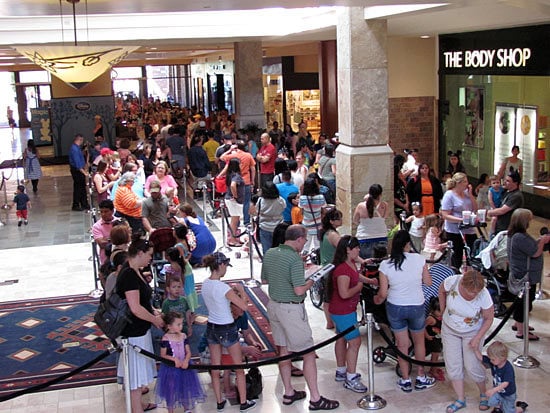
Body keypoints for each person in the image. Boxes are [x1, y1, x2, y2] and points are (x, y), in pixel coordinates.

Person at [262, 225, 340, 410]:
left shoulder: (271, 253)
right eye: (304, 239)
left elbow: (265, 279)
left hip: (274, 306)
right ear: (298, 239)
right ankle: (315, 398)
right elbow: (299, 290)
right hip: (291, 310)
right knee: (308, 353)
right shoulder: (294, 258)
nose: (305, 243)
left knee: (284, 351)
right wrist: (313, 277)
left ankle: (288, 391)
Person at [373, 230, 435, 393]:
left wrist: (377, 300)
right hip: (416, 305)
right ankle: (421, 376)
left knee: (402, 344)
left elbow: (383, 293)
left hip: (396, 306)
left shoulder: (385, 265)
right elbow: (428, 282)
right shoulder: (419, 259)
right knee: (419, 341)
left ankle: (406, 379)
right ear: (408, 244)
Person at [201, 252, 257, 413]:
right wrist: (242, 291)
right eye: (225, 265)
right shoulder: (224, 288)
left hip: (211, 326)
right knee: (238, 367)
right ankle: (244, 402)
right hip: (227, 327)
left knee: (216, 366)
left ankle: (219, 401)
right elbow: (243, 307)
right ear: (221, 265)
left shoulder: (205, 284)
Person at [116, 239, 164, 413]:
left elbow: (142, 301)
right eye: (150, 255)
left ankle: (139, 405)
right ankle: (137, 409)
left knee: (138, 373)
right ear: (140, 253)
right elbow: (135, 308)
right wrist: (154, 319)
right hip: (133, 332)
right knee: (135, 376)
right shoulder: (129, 274)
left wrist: (153, 311)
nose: (151, 258)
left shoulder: (134, 270)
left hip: (138, 329)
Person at [438, 269, 494, 413]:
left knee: (472, 365)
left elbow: (489, 318)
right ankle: (460, 399)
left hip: (472, 332)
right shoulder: (453, 281)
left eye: (476, 292)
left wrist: (477, 338)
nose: (474, 295)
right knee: (453, 366)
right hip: (450, 329)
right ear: (463, 285)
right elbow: (441, 289)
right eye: (471, 292)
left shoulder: (484, 294)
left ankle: (483, 394)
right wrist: (443, 309)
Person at [327, 235, 369, 393]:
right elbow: (344, 293)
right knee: (355, 342)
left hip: (344, 310)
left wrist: (370, 281)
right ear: (348, 250)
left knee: (342, 338)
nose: (359, 250)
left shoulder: (350, 263)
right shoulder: (342, 270)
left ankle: (341, 370)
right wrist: (359, 287)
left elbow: (357, 276)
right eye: (356, 247)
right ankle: (351, 377)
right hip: (343, 311)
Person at [507, 208, 550, 340]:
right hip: (525, 276)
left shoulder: (514, 234)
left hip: (522, 274)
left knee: (522, 301)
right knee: (525, 302)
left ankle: (519, 323)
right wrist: (542, 241)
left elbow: (529, 247)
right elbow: (535, 253)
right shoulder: (519, 237)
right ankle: (521, 331)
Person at [155, 311, 205, 413]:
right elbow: (163, 355)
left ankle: (186, 408)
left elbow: (188, 351)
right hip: (171, 369)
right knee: (171, 389)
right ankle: (171, 410)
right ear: (169, 326)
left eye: (181, 324)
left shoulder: (183, 336)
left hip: (184, 367)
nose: (181, 326)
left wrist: (186, 360)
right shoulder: (166, 338)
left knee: (185, 388)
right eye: (178, 324)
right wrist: (174, 359)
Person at [474, 341, 528, 413]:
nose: (490, 361)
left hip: (508, 394)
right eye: (490, 358)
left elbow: (505, 384)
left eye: (493, 359)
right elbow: (481, 358)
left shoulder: (508, 368)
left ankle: (521, 407)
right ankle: (498, 408)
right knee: (491, 402)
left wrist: (493, 390)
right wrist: (475, 349)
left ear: (502, 358)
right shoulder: (494, 362)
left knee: (509, 411)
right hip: (499, 392)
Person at [440, 172, 478, 269]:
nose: (467, 184)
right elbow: (445, 215)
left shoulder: (466, 194)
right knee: (457, 254)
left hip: (468, 228)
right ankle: (455, 272)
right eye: (465, 182)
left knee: (472, 252)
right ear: (458, 183)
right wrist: (461, 219)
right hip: (455, 229)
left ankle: (470, 271)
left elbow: (475, 208)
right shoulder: (449, 195)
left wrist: (470, 195)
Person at [220, 140, 256, 226]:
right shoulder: (248, 155)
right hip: (246, 180)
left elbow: (222, 157)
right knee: (246, 202)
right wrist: (253, 180)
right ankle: (246, 221)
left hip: (234, 181)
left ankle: (237, 221)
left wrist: (229, 150)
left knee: (236, 202)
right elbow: (253, 169)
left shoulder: (234, 155)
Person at [353, 184, 389, 259]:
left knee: (367, 263)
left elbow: (355, 220)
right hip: (381, 236)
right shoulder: (385, 205)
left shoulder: (361, 206)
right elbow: (385, 217)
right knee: (380, 262)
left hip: (364, 237)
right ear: (380, 194)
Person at [487, 171, 524, 235]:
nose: (504, 182)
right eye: (505, 180)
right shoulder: (505, 191)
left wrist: (489, 212)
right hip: (499, 228)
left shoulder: (516, 196)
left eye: (508, 181)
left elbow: (502, 210)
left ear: (515, 183)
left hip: (506, 230)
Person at [173, 224, 199, 312]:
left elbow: (182, 260)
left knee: (186, 288)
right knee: (190, 288)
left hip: (184, 269)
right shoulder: (184, 242)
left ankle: (190, 309)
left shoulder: (178, 246)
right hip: (188, 267)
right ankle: (192, 307)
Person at [256, 181, 286, 254]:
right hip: (278, 227)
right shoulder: (280, 200)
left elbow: (257, 210)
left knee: (266, 250)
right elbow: (284, 207)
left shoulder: (260, 200)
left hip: (264, 227)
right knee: (278, 250)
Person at [160, 272, 192, 336]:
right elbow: (164, 317)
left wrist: (189, 326)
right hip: (172, 330)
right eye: (174, 287)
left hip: (183, 327)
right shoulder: (166, 303)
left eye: (179, 287)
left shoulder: (184, 300)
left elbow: (188, 313)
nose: (177, 289)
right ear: (168, 289)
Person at [224, 158, 245, 247]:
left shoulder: (230, 174)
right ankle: (232, 240)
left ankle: (234, 238)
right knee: (234, 220)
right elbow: (233, 185)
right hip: (233, 201)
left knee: (235, 220)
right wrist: (235, 195)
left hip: (231, 199)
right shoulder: (236, 176)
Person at [92, 199, 119, 268]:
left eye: (106, 211)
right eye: (101, 212)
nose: (103, 214)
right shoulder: (96, 226)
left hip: (120, 256)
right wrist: (117, 239)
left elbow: (126, 239)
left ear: (112, 211)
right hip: (106, 259)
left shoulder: (119, 222)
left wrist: (107, 239)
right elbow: (102, 244)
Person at [425, 297, 445, 382]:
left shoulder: (440, 317)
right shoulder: (431, 319)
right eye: (439, 311)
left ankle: (434, 369)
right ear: (433, 310)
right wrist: (427, 336)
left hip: (438, 339)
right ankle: (433, 371)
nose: (441, 313)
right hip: (432, 340)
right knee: (435, 356)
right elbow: (422, 327)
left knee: (436, 356)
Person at [69, 134, 90, 211]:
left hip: (80, 170)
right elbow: (77, 163)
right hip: (77, 171)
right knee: (78, 188)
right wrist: (84, 172)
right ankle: (76, 204)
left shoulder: (77, 148)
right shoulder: (74, 149)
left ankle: (84, 203)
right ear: (80, 140)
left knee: (82, 187)